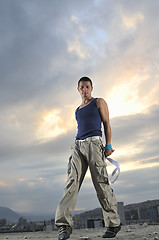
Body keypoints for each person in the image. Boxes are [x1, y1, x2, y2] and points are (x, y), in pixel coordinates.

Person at [55, 77, 121, 239]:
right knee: (72, 181)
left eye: (87, 87)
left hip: (94, 144)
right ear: (78, 90)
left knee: (101, 184)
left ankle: (113, 224)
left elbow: (106, 124)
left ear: (91, 88)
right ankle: (64, 225)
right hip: (78, 145)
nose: (84, 90)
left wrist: (108, 146)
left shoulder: (99, 102)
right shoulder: (77, 110)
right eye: (81, 87)